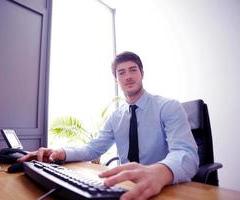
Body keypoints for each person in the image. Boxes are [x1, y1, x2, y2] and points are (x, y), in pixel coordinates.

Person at [19, 51, 199, 200]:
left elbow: (187, 154)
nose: (128, 76)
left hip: (165, 188)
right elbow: (93, 149)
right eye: (121, 73)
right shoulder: (116, 116)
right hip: (126, 187)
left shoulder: (168, 107)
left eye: (133, 70)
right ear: (116, 79)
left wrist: (162, 171)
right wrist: (60, 153)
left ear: (142, 73)